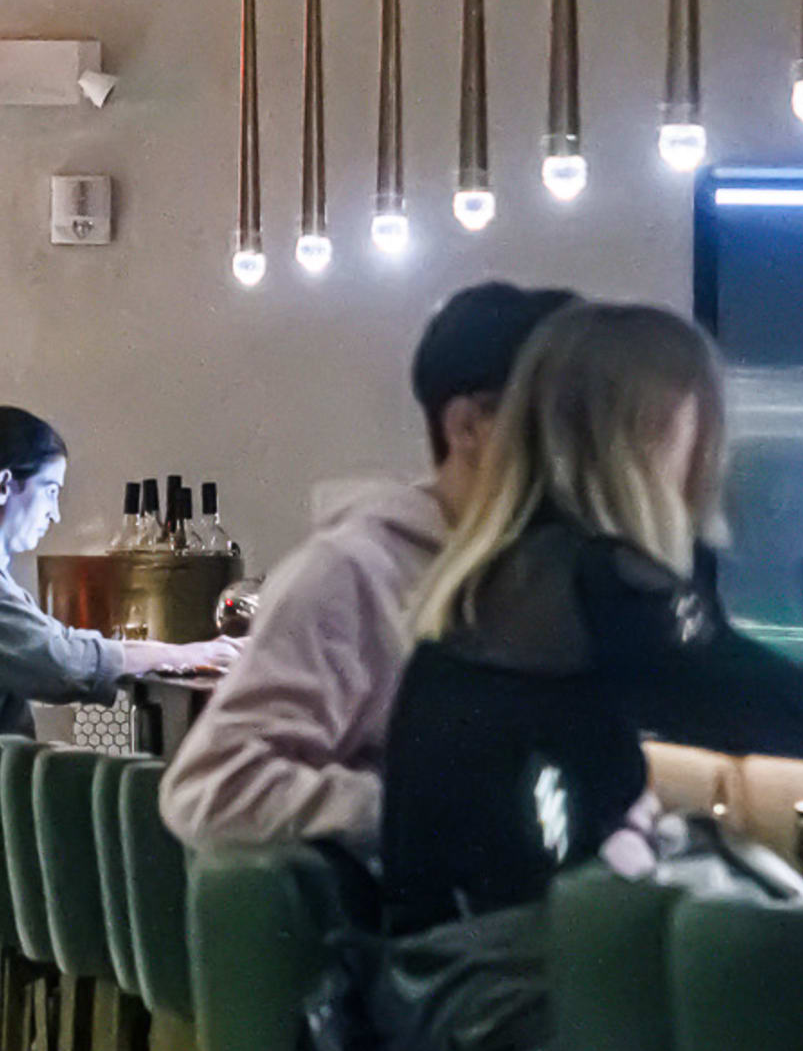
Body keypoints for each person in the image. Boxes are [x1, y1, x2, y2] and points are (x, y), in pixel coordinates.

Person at [379, 302, 803, 932]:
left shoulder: (491, 576)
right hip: (537, 993)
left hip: (437, 983)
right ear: (660, 434)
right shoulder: (609, 589)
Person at [162, 281, 575, 857]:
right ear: (469, 427)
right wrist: (431, 812)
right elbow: (212, 788)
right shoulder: (355, 575)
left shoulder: (549, 575)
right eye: (566, 417)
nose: (588, 450)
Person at [0, 404, 235, 863]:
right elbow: (66, 663)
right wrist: (195, 653)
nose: (56, 514)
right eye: (50, 491)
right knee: (143, 808)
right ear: (4, 486)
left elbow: (64, 649)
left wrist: (182, 652)